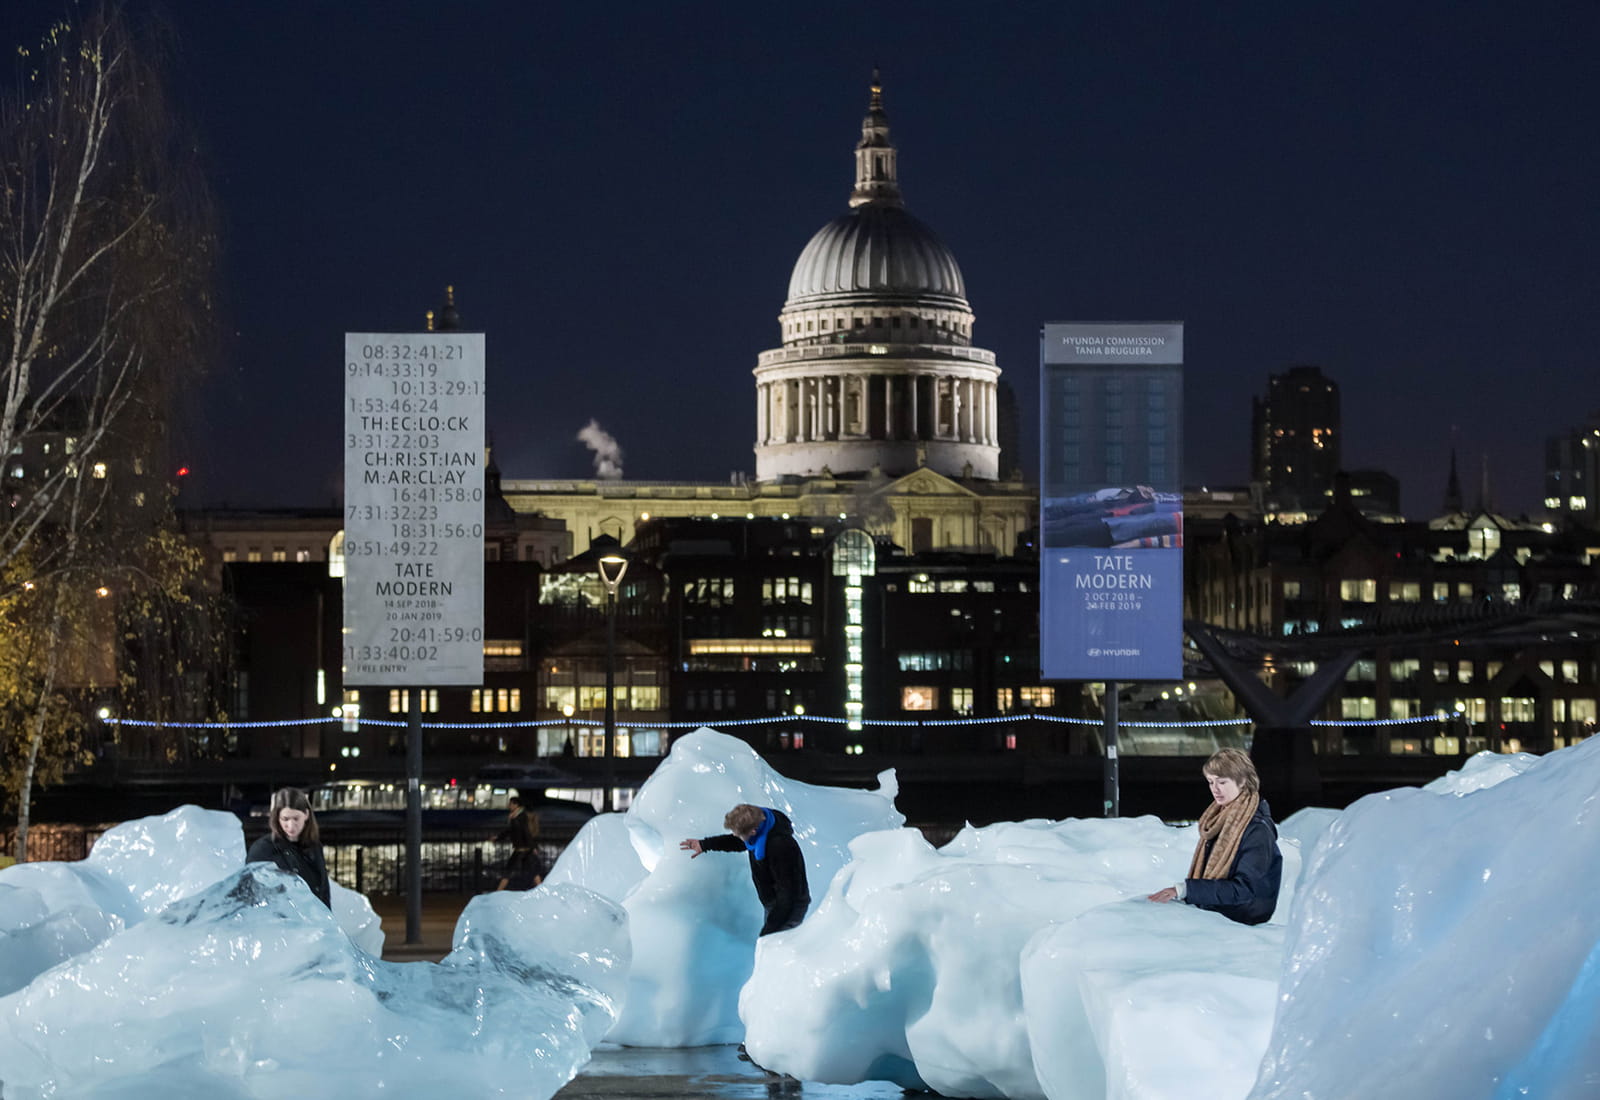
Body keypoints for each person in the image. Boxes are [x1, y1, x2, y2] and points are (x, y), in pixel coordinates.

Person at [1146, 748, 1282, 925]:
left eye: (1222, 782)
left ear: (1242, 781)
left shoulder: (1257, 830)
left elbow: (1245, 890)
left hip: (1240, 921)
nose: (1215, 789)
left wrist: (1185, 890)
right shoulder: (1219, 820)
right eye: (1210, 782)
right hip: (1219, 912)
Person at [679, 803, 810, 935]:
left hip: (790, 907)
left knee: (773, 949)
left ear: (753, 831)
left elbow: (788, 894)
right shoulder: (761, 828)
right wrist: (704, 844)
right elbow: (739, 841)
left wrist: (769, 931)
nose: (735, 836)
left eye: (738, 834)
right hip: (776, 903)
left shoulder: (780, 847)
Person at [247, 786, 331, 909]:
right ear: (277, 818)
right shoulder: (262, 849)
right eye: (285, 819)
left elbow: (324, 892)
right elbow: (252, 894)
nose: (291, 826)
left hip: (313, 921)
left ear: (306, 815)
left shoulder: (315, 846)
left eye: (296, 818)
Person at [495, 794, 543, 891]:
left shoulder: (519, 817)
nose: (509, 806)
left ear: (516, 805)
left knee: (508, 870)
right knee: (533, 871)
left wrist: (533, 847)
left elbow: (525, 832)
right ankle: (541, 889)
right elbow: (512, 830)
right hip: (525, 848)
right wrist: (498, 837)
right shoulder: (516, 816)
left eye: (510, 804)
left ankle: (498, 891)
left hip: (521, 849)